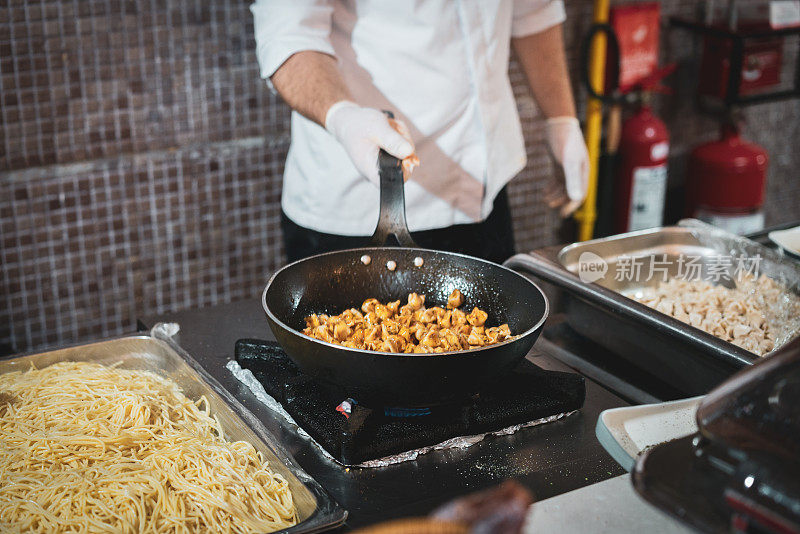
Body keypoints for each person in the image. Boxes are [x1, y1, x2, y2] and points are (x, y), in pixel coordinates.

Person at [251, 0, 589, 264]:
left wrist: (560, 119)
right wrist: (343, 116)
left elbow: (534, 10)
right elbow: (288, 33)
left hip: (483, 193)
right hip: (358, 209)